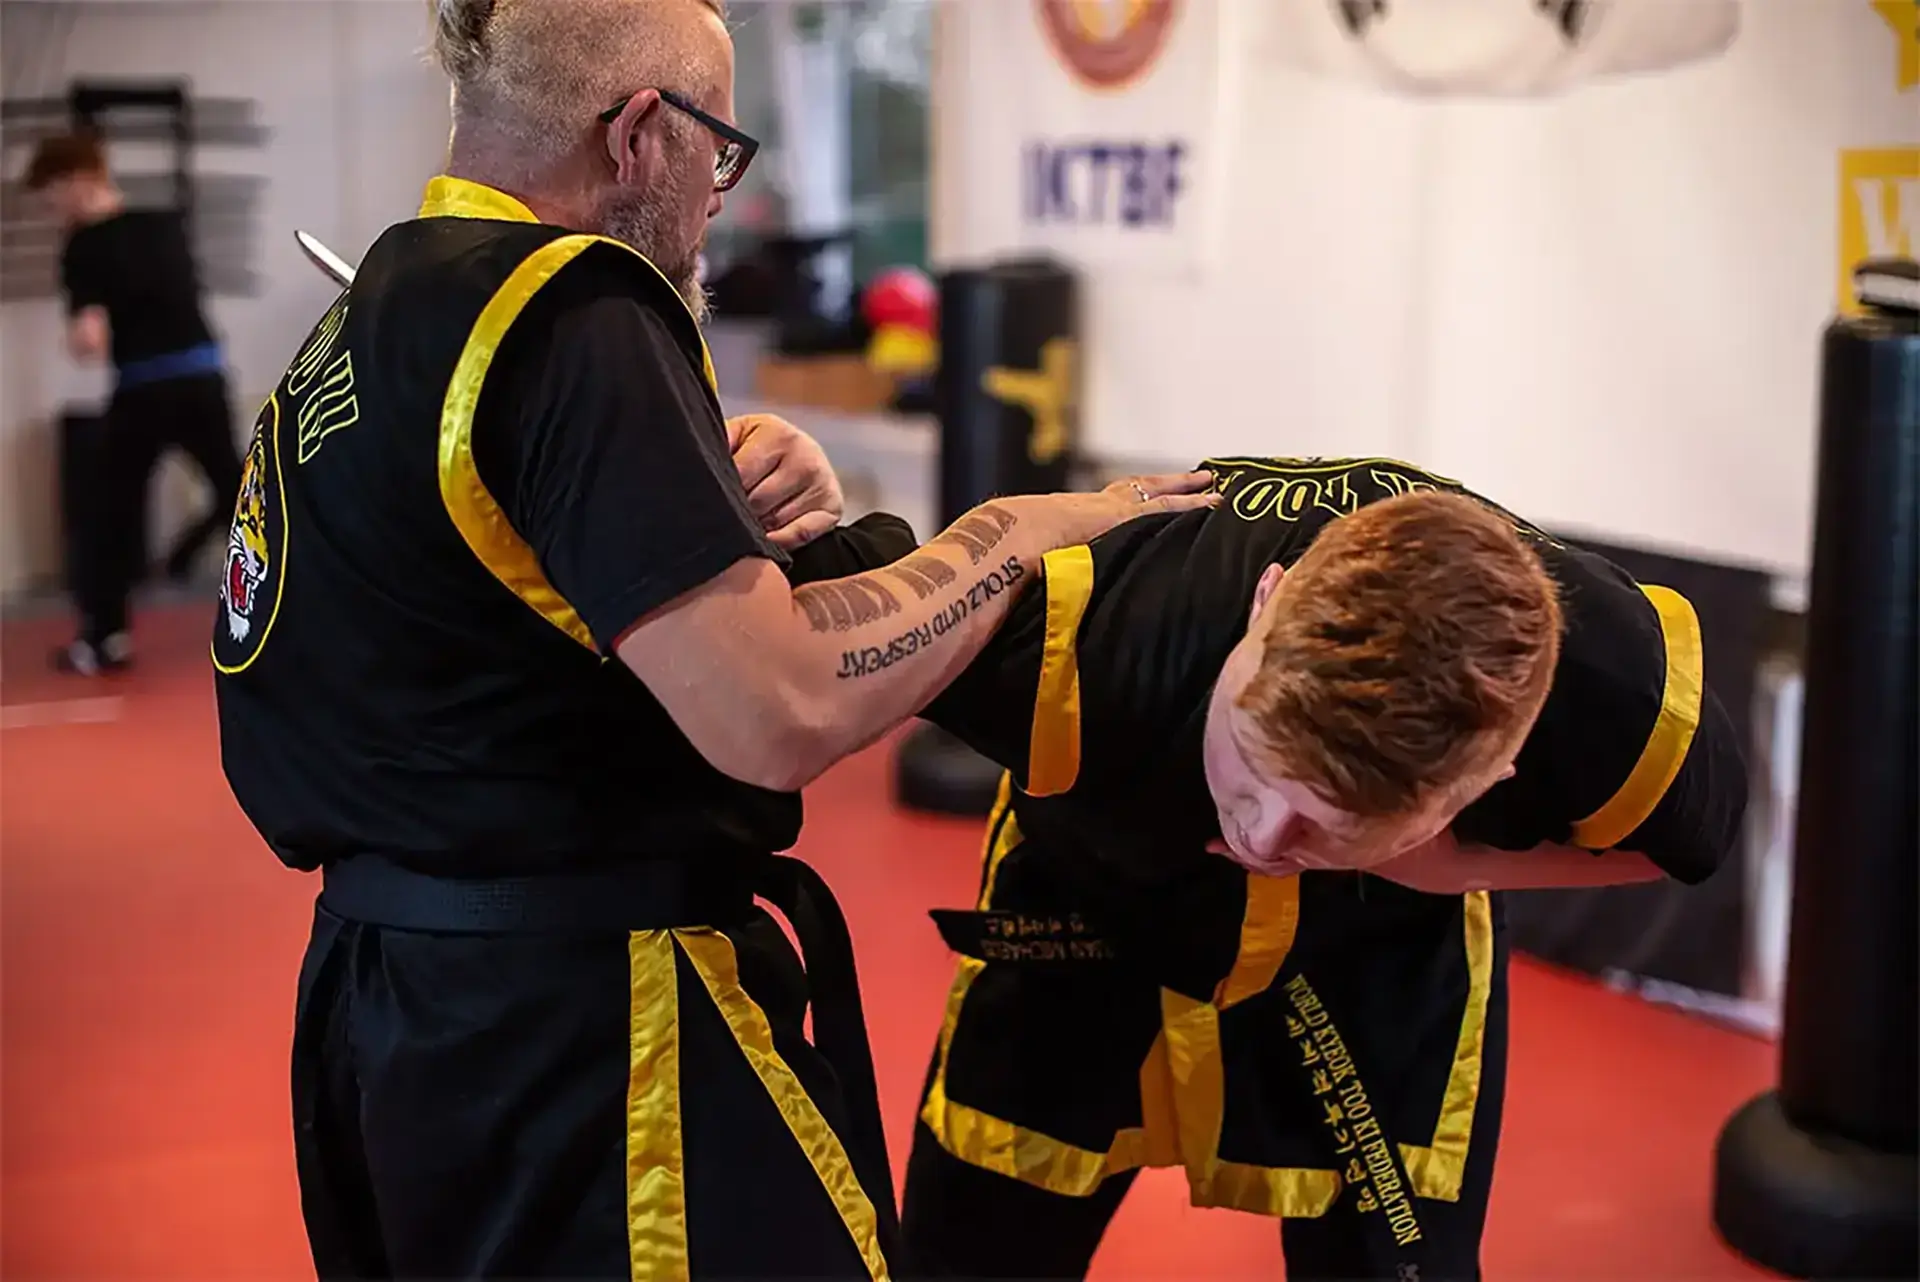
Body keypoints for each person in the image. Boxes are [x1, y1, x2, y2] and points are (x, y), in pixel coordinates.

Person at [208, 0, 1216, 1278]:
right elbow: (773, 709)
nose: (720, 197)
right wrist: (1018, 534)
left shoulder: (376, 318)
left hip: (393, 1017)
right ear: (640, 134)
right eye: (718, 151)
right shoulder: (577, 308)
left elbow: (478, 602)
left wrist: (694, 502)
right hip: (583, 1032)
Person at [875, 455, 1748, 1281]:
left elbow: (1684, 849)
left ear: (1483, 780)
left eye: (1333, 826)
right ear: (1267, 601)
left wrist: (1446, 867)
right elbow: (794, 644)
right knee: (974, 1242)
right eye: (1257, 770)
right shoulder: (1089, 625)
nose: (1263, 839)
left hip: (1375, 945)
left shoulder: (1608, 695)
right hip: (1095, 900)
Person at [25, 131, 242, 675]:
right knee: (244, 499)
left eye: (51, 196)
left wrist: (74, 339)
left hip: (144, 388)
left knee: (107, 515)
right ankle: (302, 621)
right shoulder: (165, 223)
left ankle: (104, 638)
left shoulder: (83, 245)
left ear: (76, 180)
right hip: (202, 378)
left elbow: (91, 337)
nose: (52, 210)